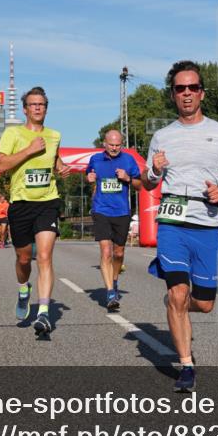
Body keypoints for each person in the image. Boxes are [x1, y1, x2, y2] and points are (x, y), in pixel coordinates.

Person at [143, 60, 218, 391]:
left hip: (207, 223)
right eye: (180, 88)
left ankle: (176, 307)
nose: (186, 93)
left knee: (204, 303)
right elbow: (146, 182)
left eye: (192, 88)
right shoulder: (162, 136)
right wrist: (154, 171)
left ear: (202, 93)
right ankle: (186, 366)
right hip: (172, 222)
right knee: (178, 292)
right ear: (173, 94)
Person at [0, 86, 72, 335]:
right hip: (21, 204)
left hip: (48, 202)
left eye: (43, 104)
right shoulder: (13, 133)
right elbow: (0, 164)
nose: (38, 108)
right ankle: (23, 288)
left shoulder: (55, 135)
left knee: (46, 257)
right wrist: (29, 150)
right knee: (24, 258)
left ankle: (43, 313)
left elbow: (54, 159)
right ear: (25, 109)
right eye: (34, 104)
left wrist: (61, 167)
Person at [87, 129, 142, 311]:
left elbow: (140, 184)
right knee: (106, 252)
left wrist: (127, 178)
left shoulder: (128, 160)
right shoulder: (95, 159)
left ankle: (115, 279)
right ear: (104, 143)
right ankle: (110, 292)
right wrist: (90, 177)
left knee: (118, 253)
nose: (114, 148)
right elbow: (89, 174)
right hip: (101, 209)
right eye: (111, 145)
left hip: (121, 212)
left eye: (118, 145)